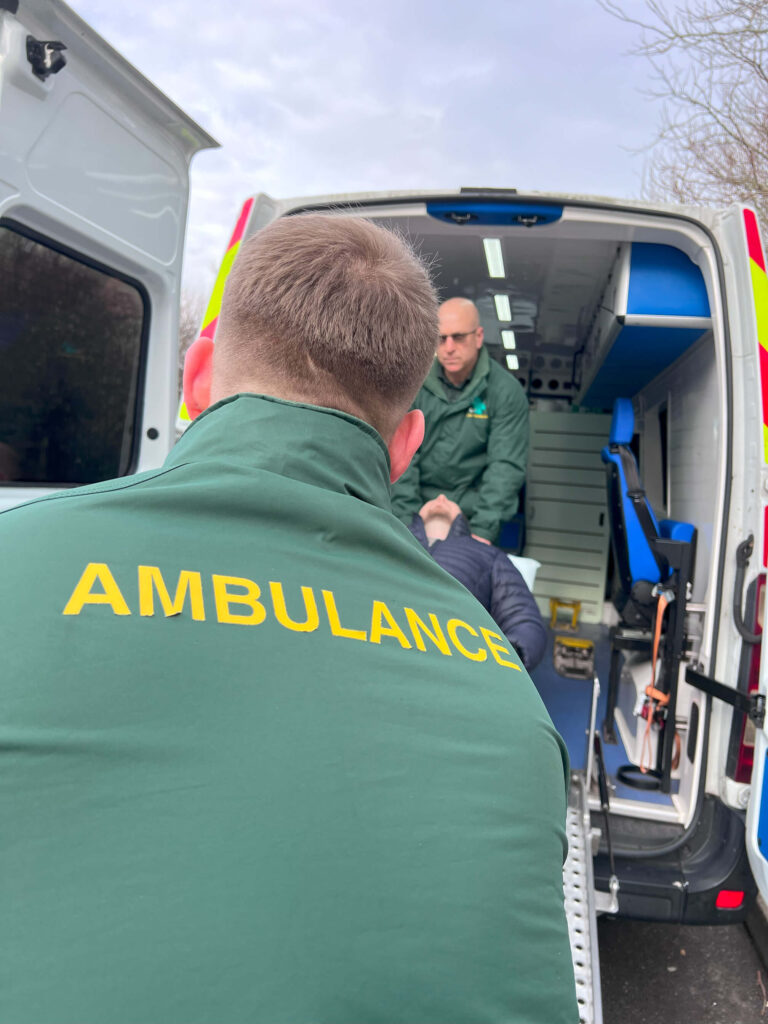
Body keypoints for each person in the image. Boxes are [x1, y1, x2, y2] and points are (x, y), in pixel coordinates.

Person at [0, 215, 578, 1024]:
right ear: (407, 441)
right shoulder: (505, 692)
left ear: (196, 378)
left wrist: (473, 529)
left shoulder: (14, 564)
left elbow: (505, 468)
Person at [391, 295, 530, 543]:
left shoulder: (505, 392)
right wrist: (405, 523)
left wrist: (482, 532)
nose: (449, 347)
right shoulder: (413, 385)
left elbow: (505, 466)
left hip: (472, 515)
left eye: (458, 337)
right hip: (416, 510)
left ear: (478, 337)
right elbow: (403, 457)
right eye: (441, 339)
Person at [409, 493, 547, 671]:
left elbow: (522, 617)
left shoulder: (489, 555)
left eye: (449, 502)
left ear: (463, 520)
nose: (441, 498)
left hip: (453, 662)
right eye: (432, 500)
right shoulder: (387, 540)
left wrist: (506, 658)